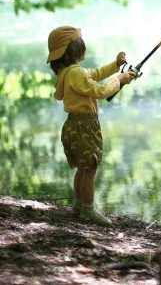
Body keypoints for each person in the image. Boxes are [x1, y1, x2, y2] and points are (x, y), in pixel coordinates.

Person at [47, 25, 136, 226]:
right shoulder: (75, 73)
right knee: (90, 167)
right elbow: (100, 91)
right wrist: (120, 79)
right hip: (84, 126)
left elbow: (95, 74)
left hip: (74, 124)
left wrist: (116, 65)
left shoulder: (69, 72)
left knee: (83, 166)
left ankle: (79, 206)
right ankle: (88, 210)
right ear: (76, 49)